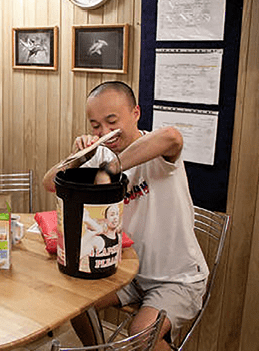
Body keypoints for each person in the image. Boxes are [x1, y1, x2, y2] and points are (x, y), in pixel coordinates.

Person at [42, 81, 208, 351]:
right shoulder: (100, 156)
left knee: (142, 333)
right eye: (96, 126)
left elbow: (172, 136)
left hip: (177, 278)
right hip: (127, 274)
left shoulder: (157, 152)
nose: (105, 132)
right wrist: (78, 157)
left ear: (136, 114)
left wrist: (112, 167)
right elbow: (49, 182)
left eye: (111, 121)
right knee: (73, 303)